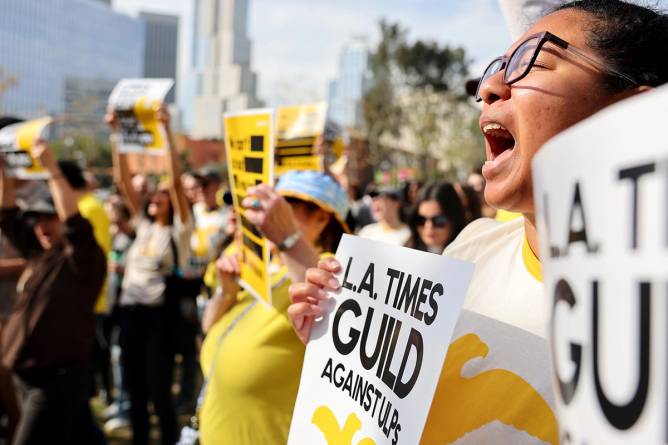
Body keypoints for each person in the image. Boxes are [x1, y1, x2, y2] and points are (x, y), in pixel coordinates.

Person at [287, 1, 667, 443]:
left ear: (634, 114)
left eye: (535, 62)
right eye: (498, 66)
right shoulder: (473, 249)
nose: (488, 87)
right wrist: (342, 352)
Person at [198, 170, 349, 445]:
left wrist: (288, 238)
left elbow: (333, 308)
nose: (271, 213)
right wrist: (226, 292)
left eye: (286, 206)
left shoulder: (329, 266)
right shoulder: (263, 266)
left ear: (322, 216)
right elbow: (208, 327)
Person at [0, 140, 106, 445]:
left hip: (55, 380)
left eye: (51, 217)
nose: (43, 225)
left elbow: (75, 222)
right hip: (27, 375)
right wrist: (5, 171)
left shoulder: (83, 259)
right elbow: (7, 215)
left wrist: (50, 167)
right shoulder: (40, 254)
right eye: (38, 218)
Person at [108, 106, 192, 445]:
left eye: (163, 194)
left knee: (159, 391)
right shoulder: (142, 226)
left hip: (158, 319)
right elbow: (122, 179)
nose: (156, 196)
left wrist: (166, 130)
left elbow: (174, 178)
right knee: (136, 390)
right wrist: (116, 133)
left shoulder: (179, 231)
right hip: (130, 316)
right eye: (153, 194)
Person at [405, 182, 466, 253]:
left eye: (438, 220)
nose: (429, 226)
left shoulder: (472, 255)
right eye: (421, 220)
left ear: (454, 219)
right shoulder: (404, 254)